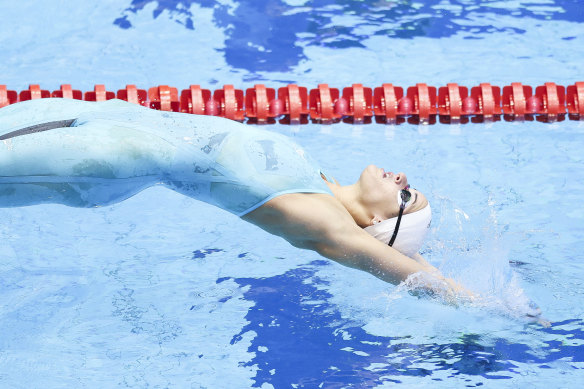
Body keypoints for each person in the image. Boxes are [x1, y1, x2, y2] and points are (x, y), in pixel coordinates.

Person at [0, 98, 470, 302]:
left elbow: (416, 275)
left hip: (106, 157)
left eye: (404, 196)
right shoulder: (314, 175)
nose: (403, 178)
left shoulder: (323, 222)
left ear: (373, 222)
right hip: (93, 118)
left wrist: (496, 309)